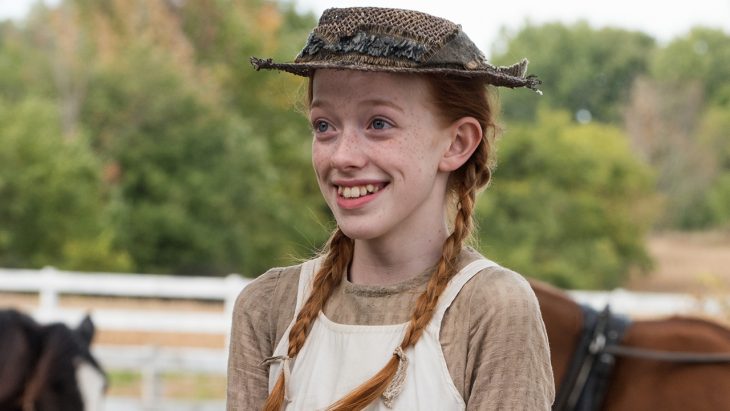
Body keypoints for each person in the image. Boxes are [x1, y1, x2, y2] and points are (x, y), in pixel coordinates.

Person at [227, 6, 554, 410]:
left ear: (457, 144)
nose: (343, 156)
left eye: (378, 123)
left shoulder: (490, 309)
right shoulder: (267, 306)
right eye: (323, 125)